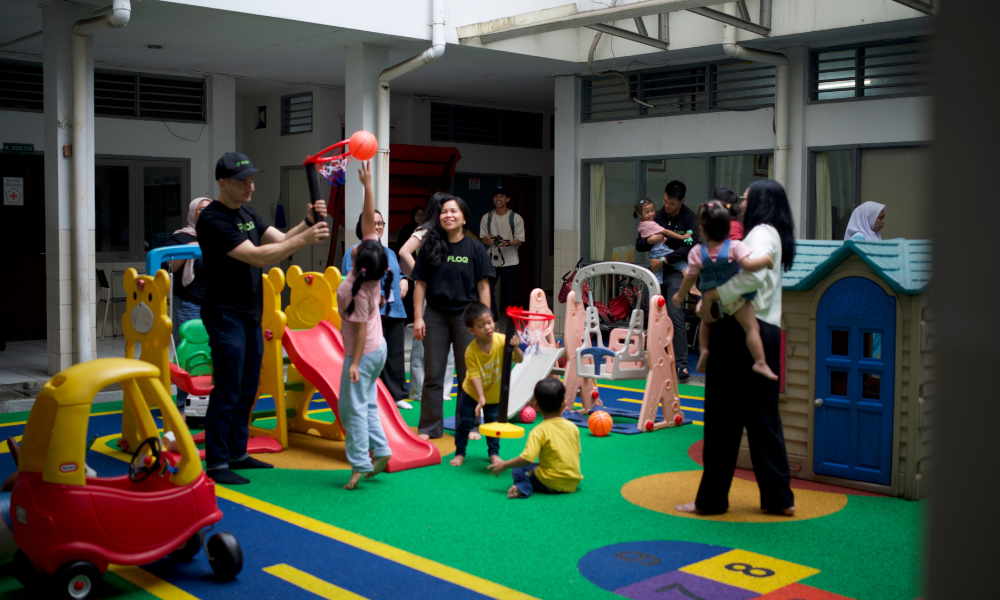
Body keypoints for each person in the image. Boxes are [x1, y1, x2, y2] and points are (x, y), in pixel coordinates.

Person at [196, 152, 329, 485]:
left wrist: (306, 222)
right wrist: (306, 238)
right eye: (243, 182)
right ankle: (217, 461)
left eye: (252, 180)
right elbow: (256, 257)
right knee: (228, 388)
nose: (250, 186)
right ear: (222, 183)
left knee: (248, 386)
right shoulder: (212, 220)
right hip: (224, 314)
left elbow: (282, 239)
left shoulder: (247, 213)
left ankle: (238, 452)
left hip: (250, 313)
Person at [676, 179, 797, 516]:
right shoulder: (774, 234)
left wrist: (714, 296)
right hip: (764, 332)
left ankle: (711, 500)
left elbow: (752, 278)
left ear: (760, 203)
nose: (741, 204)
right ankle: (779, 499)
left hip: (737, 331)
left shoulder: (758, 234)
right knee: (763, 419)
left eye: (746, 199)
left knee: (721, 419)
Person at [412, 194, 494, 440]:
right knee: (433, 373)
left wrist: (484, 322)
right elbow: (420, 285)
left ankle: (468, 425)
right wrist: (418, 317)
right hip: (435, 315)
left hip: (466, 318)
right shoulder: (431, 245)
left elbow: (483, 287)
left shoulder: (475, 248)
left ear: (464, 217)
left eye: (454, 211)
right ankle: (429, 427)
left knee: (469, 373)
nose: (448, 215)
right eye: (444, 211)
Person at [671, 201, 777, 380]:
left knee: (705, 323)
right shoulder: (735, 247)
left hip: (711, 301)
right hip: (736, 299)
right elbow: (749, 266)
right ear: (728, 228)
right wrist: (766, 259)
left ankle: (704, 351)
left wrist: (679, 295)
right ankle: (760, 362)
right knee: (751, 327)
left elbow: (689, 277)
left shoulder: (697, 252)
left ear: (703, 230)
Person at [338, 163, 393, 490]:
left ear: (357, 261)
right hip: (379, 349)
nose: (364, 237)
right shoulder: (373, 268)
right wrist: (368, 184)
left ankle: (359, 463)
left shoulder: (352, 291)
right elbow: (370, 221)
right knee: (367, 402)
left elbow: (358, 332)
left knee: (352, 410)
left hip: (364, 352)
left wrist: (355, 364)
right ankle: (382, 450)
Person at [343, 209, 411, 410]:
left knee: (395, 353)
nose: (378, 227)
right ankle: (372, 393)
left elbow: (395, 274)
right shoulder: (355, 251)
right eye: (373, 223)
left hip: (394, 310)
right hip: (370, 312)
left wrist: (404, 280)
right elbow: (353, 278)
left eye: (381, 223)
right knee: (371, 353)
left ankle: (396, 395)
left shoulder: (389, 252)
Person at [634, 180, 698, 380]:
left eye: (671, 203)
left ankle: (681, 365)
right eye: (665, 201)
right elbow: (639, 244)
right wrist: (648, 241)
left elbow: (690, 245)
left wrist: (665, 259)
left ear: (681, 201)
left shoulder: (689, 218)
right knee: (652, 314)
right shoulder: (655, 215)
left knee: (674, 313)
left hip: (675, 272)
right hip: (656, 272)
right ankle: (653, 359)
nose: (666, 206)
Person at [397, 195, 455, 408]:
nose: (449, 212)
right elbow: (404, 251)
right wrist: (421, 275)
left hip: (450, 293)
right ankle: (418, 390)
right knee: (422, 342)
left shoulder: (451, 231)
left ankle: (445, 389)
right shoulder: (425, 229)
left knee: (448, 342)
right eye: (445, 208)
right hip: (428, 292)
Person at [450, 303, 523, 468]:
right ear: (471, 330)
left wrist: (516, 347)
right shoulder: (471, 351)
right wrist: (480, 397)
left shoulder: (502, 341)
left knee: (493, 425)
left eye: (489, 322)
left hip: (495, 394)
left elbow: (519, 360)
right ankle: (460, 453)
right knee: (464, 423)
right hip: (472, 394)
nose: (487, 327)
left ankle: (493, 454)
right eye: (481, 326)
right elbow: (474, 376)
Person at [488, 378, 582, 499]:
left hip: (550, 483)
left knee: (519, 468)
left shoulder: (539, 430)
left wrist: (505, 465)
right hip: (573, 482)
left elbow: (527, 458)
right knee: (534, 466)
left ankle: (522, 488)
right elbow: (576, 453)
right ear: (563, 404)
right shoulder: (572, 427)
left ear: (536, 406)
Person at [164, 196, 212, 414]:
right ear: (192, 212)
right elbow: (170, 267)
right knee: (190, 353)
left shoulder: (219, 235)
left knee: (215, 353)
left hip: (218, 305)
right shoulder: (181, 237)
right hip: (191, 304)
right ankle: (183, 405)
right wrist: (190, 248)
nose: (207, 213)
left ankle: (209, 401)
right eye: (202, 209)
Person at [479, 186, 525, 321]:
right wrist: (490, 241)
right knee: (488, 290)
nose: (498, 199)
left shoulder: (516, 218)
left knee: (509, 294)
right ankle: (493, 320)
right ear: (493, 199)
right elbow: (483, 239)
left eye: (501, 196)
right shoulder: (486, 217)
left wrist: (507, 243)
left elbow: (520, 240)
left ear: (507, 199)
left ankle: (512, 322)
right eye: (496, 196)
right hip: (491, 260)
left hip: (510, 261)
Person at [635, 198, 691, 284]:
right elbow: (666, 231)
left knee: (657, 277)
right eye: (647, 212)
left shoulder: (641, 224)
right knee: (683, 265)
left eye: (652, 210)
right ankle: (692, 287)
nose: (651, 214)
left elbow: (639, 232)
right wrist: (682, 237)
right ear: (639, 214)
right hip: (660, 249)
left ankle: (656, 294)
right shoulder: (652, 224)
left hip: (652, 253)